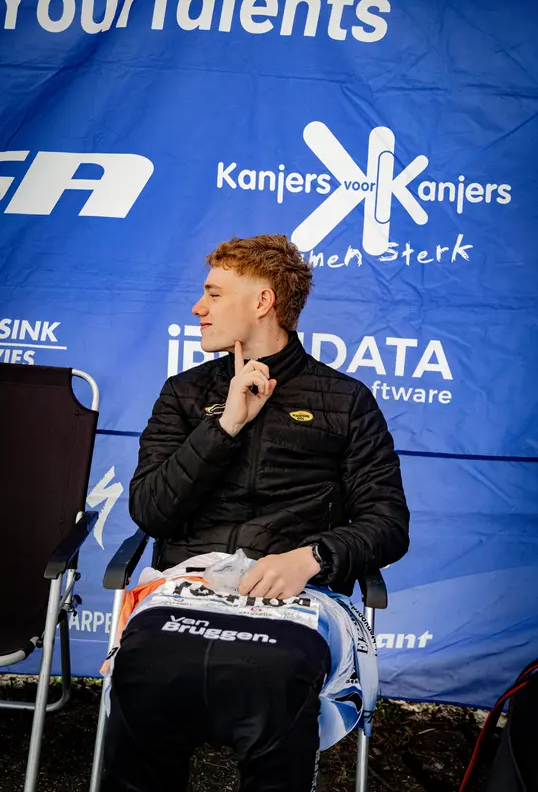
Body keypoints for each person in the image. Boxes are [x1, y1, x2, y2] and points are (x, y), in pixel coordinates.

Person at [101, 234, 409, 792]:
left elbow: (387, 522)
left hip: (295, 602)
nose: (198, 307)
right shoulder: (184, 394)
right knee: (145, 665)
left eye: (214, 294)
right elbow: (151, 511)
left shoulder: (346, 400)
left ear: (263, 301)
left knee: (272, 674)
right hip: (186, 590)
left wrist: (313, 557)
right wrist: (225, 426)